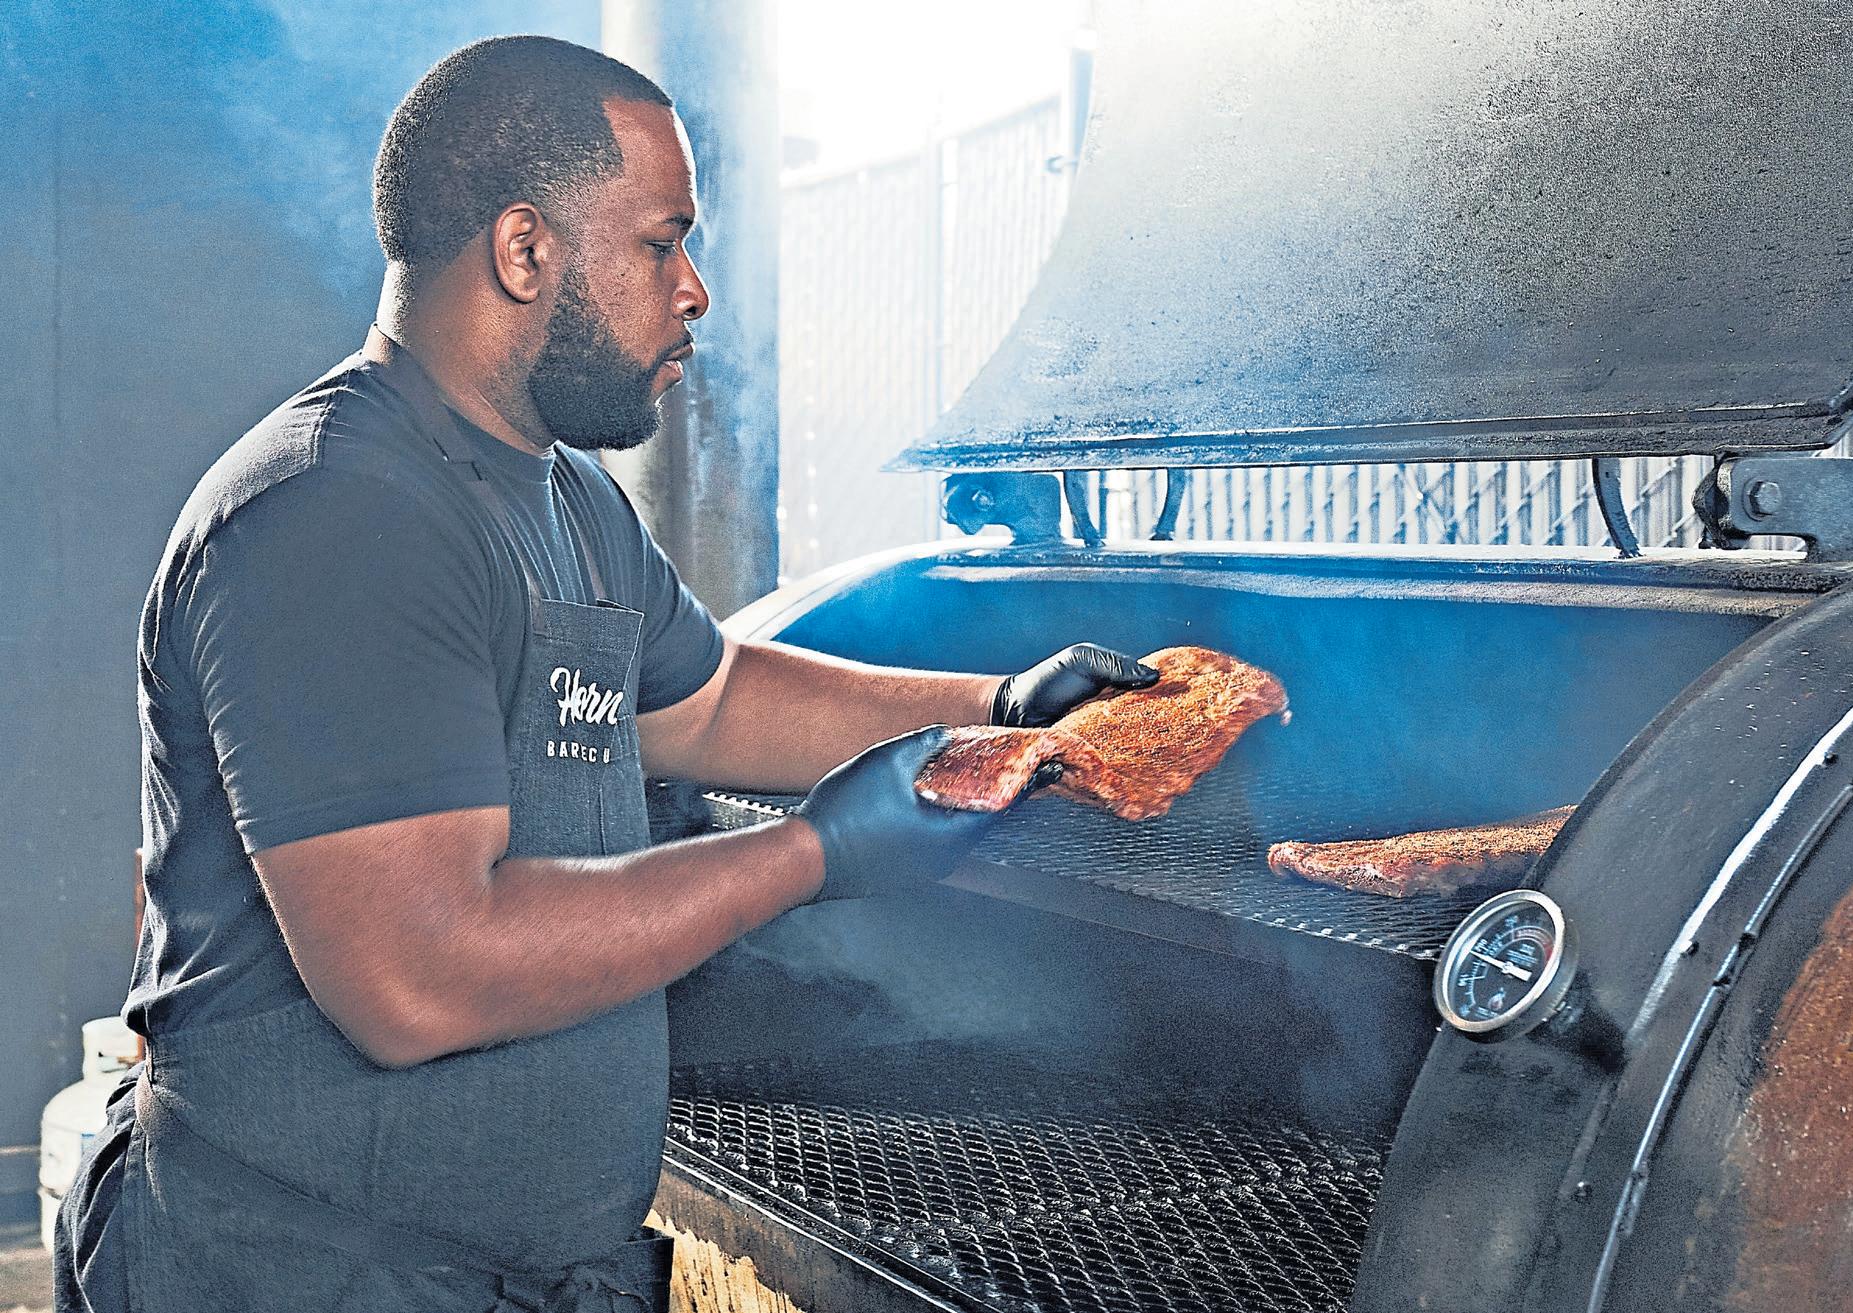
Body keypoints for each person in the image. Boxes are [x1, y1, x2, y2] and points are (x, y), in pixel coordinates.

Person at [53, 35, 1156, 1313]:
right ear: (524, 250)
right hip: (300, 1269)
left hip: (510, 1274)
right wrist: (811, 852)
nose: (695, 289)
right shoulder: (339, 513)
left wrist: (1000, 706)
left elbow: (711, 698)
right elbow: (418, 974)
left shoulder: (566, 498)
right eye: (660, 242)